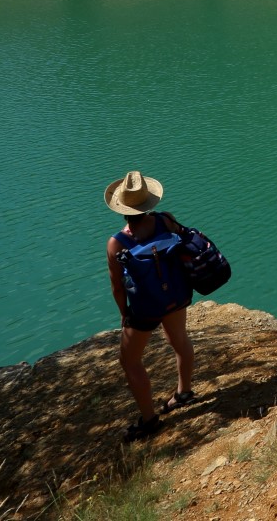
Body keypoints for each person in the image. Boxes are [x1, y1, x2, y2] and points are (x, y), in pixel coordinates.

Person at [105, 170, 196, 442]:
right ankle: (183, 393)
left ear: (121, 208)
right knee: (179, 339)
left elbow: (117, 287)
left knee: (130, 360)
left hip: (145, 307)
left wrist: (125, 314)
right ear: (148, 203)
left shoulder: (116, 243)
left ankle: (149, 420)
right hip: (177, 295)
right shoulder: (166, 220)